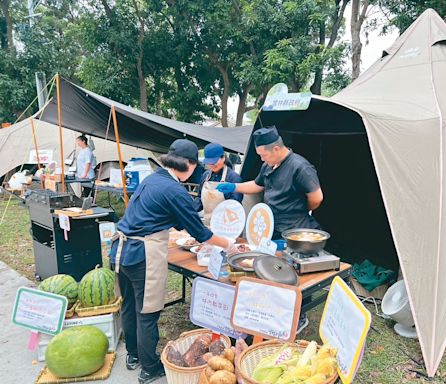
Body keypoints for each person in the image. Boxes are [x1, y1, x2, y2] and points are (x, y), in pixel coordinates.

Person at [110, 139, 235, 384]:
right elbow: (201, 234)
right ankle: (149, 368)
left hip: (120, 250)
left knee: (129, 306)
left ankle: (133, 356)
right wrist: (229, 244)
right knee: (147, 312)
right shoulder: (174, 190)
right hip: (141, 252)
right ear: (188, 164)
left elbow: (174, 219)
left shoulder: (154, 178)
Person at [217, 126, 324, 239]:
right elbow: (257, 185)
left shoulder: (300, 167)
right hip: (272, 225)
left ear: (276, 149)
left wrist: (299, 210)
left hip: (294, 227)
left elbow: (317, 198)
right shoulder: (268, 166)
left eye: (264, 155)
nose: (262, 159)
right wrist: (234, 187)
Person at [194, 143, 243, 225]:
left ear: (223, 158)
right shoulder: (205, 176)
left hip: (229, 224)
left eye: (214, 162)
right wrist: (190, 210)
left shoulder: (234, 178)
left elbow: (235, 205)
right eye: (209, 162)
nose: (211, 165)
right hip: (209, 222)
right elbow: (200, 199)